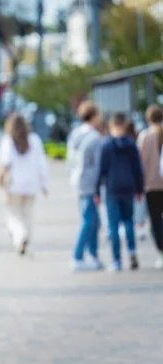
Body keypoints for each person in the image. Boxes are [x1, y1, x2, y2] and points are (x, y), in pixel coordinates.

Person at [95, 112, 144, 272]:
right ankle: (132, 251)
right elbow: (138, 168)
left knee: (113, 225)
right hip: (129, 187)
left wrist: (96, 190)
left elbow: (101, 170)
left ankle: (116, 260)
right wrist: (139, 189)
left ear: (111, 126)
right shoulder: (131, 144)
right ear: (124, 125)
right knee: (129, 221)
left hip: (112, 188)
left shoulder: (106, 145)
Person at [0, 112, 48, 256]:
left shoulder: (8, 141)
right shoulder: (35, 140)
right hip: (31, 184)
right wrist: (43, 184)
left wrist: (0, 180)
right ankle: (26, 238)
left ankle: (20, 237)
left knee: (13, 214)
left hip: (14, 185)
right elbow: (41, 163)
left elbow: (5, 162)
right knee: (27, 214)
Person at [66, 101, 104, 271]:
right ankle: (78, 255)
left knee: (92, 219)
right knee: (90, 220)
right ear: (94, 116)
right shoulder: (95, 137)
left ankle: (92, 256)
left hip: (77, 180)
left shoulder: (76, 133)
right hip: (89, 183)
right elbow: (97, 165)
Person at [137, 104, 163, 269]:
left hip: (151, 186)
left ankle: (161, 252)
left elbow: (140, 163)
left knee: (155, 221)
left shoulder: (145, 137)